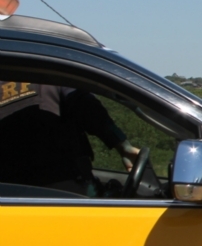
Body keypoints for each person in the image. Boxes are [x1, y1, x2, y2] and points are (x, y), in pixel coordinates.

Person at [0, 81, 140, 194]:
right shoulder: (47, 70)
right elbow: (86, 107)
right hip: (66, 188)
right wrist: (121, 144)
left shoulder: (13, 66)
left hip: (13, 197)